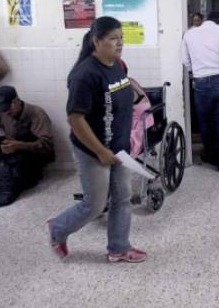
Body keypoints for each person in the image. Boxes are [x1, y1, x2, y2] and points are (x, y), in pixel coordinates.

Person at [47, 16, 146, 262]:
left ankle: (119, 248)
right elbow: (75, 120)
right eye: (113, 39)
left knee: (122, 198)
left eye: (121, 38)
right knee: (94, 205)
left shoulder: (118, 65)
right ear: (96, 41)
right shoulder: (84, 75)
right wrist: (101, 151)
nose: (119, 43)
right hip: (93, 150)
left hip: (119, 148)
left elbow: (124, 100)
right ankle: (57, 228)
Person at [182, 11, 219, 172]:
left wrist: (197, 71)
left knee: (205, 122)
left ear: (205, 20)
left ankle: (210, 155)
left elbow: (185, 61)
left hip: (200, 82)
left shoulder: (189, 34)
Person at [0, 86, 54, 207]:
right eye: (2, 110)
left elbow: (47, 147)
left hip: (33, 155)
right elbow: (0, 129)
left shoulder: (37, 114)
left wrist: (19, 145)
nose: (6, 113)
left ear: (16, 101)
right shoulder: (4, 113)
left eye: (7, 109)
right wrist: (3, 140)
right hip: (12, 151)